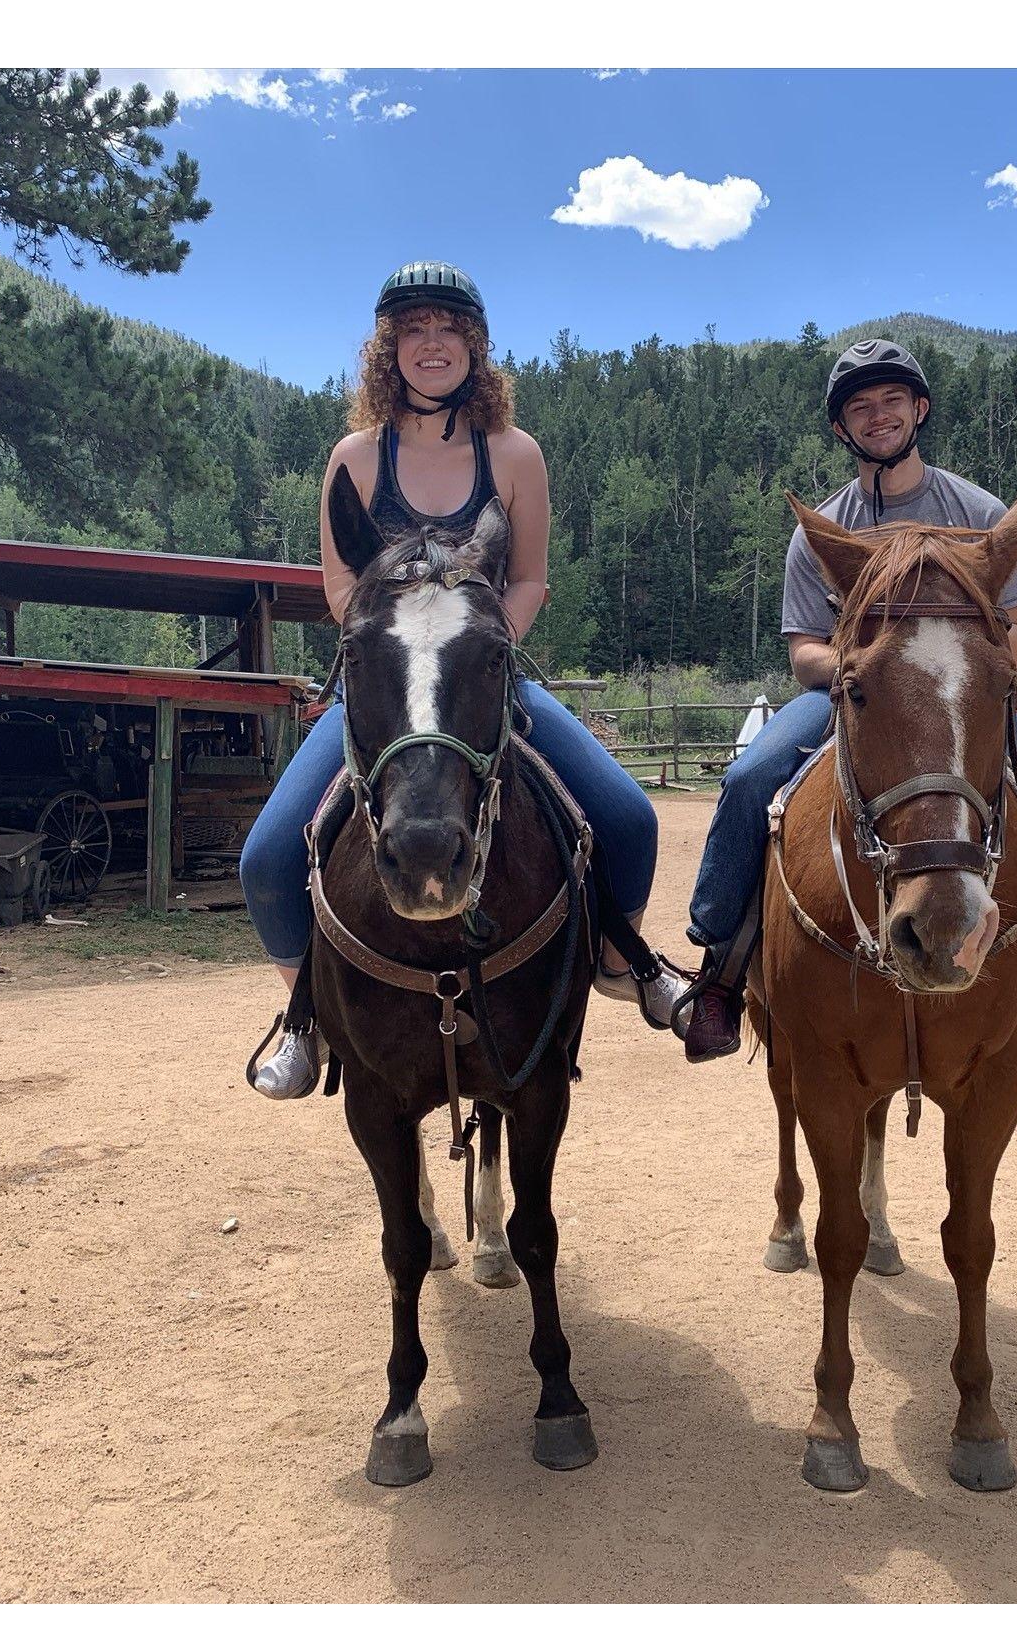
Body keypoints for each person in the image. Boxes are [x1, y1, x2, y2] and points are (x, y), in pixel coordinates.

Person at [240, 261, 689, 1096]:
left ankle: (624, 960)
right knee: (269, 855)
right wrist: (395, 645)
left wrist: (483, 647)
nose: (432, 343)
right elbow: (341, 586)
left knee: (627, 816)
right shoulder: (353, 458)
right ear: (389, 349)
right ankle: (308, 1020)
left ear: (476, 346)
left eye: (449, 328)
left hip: (486, 679)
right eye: (414, 329)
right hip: (380, 684)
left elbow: (529, 579)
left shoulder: (515, 454)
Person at [679, 338, 1017, 1073]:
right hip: (851, 697)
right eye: (859, 407)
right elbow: (803, 648)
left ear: (919, 410)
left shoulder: (977, 513)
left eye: (890, 402)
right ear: (842, 428)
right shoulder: (825, 530)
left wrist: (960, 675)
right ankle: (720, 968)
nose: (877, 417)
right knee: (751, 780)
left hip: (961, 700)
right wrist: (866, 669)